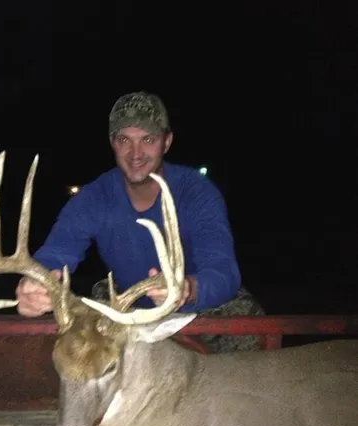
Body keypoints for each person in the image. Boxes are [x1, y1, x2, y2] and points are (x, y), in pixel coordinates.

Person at [16, 91, 264, 352]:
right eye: (124, 139)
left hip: (196, 305)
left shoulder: (197, 193)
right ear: (112, 143)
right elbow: (57, 252)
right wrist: (34, 284)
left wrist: (188, 289)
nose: (135, 153)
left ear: (166, 142)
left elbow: (223, 271)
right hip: (127, 307)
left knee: (248, 328)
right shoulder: (94, 197)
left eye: (148, 139)